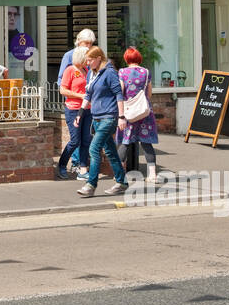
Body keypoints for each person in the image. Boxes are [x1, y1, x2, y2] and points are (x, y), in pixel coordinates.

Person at [77, 45, 127, 198]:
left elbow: (119, 94)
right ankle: (121, 182)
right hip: (97, 118)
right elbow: (88, 95)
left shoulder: (109, 72)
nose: (88, 63)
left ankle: (91, 185)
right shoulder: (93, 74)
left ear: (99, 58)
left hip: (109, 117)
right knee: (111, 152)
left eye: (90, 60)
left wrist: (121, 117)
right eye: (87, 60)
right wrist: (80, 113)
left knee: (93, 149)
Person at [117, 47, 161, 183]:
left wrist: (121, 115)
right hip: (144, 112)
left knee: (125, 142)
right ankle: (152, 174)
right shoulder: (146, 72)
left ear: (126, 58)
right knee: (147, 142)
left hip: (129, 113)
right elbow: (149, 94)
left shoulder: (122, 72)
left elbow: (121, 92)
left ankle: (120, 174)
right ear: (139, 58)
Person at [56, 47, 91, 180]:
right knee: (75, 140)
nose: (88, 60)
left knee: (86, 140)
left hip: (87, 109)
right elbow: (63, 90)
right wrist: (80, 95)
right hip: (73, 109)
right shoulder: (70, 70)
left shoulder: (86, 70)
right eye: (87, 57)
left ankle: (83, 170)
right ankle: (62, 165)